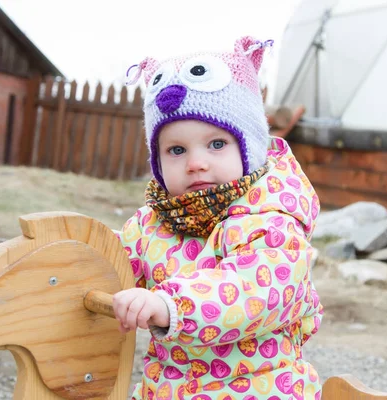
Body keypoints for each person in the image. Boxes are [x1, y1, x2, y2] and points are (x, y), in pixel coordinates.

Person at [112, 36, 323, 400]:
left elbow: (254, 291)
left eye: (216, 144)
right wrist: (77, 261)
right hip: (167, 389)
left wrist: (170, 304)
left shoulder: (271, 219)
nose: (196, 162)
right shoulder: (152, 224)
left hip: (259, 388)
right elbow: (111, 265)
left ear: (250, 147)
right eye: (176, 150)